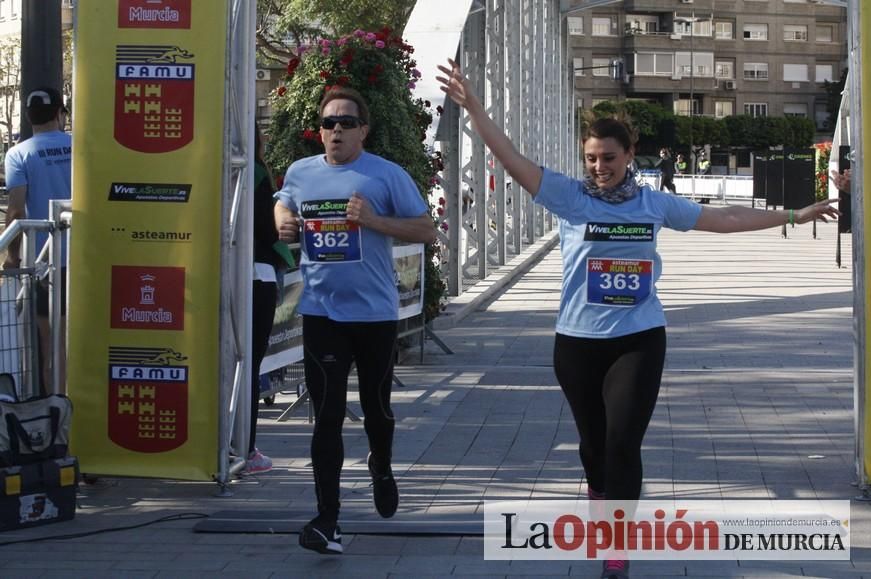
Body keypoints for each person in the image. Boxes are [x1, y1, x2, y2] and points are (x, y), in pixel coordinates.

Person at [436, 58, 838, 579]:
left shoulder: (654, 205)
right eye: (591, 159)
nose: (598, 168)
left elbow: (725, 218)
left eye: (608, 158)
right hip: (576, 343)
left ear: (629, 155)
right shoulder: (569, 197)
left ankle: (615, 550)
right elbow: (510, 158)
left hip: (638, 340)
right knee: (592, 446)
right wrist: (474, 107)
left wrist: (792, 214)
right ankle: (600, 497)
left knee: (623, 442)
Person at [274, 86, 436, 555]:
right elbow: (284, 199)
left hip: (374, 315)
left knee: (376, 408)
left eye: (346, 123)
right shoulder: (303, 172)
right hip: (323, 313)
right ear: (320, 132)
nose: (337, 130)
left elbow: (426, 229)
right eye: (329, 123)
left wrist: (374, 221)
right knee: (325, 417)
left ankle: (381, 463)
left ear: (364, 130)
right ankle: (327, 520)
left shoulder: (385, 175)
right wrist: (282, 218)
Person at [3, 87, 71, 394]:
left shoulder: (19, 153)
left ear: (29, 118)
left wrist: (12, 256)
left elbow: (16, 209)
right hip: (89, 257)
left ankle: (57, 420)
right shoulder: (81, 146)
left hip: (47, 261)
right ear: (61, 113)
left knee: (51, 347)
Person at [243, 125, 287, 475]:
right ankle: (246, 447)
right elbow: (272, 229)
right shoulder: (256, 173)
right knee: (248, 364)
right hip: (258, 275)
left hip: (221, 273)